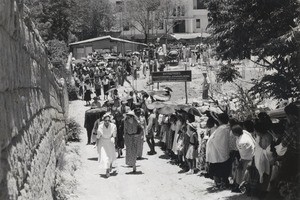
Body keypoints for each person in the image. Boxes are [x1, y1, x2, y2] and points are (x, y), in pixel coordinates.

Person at [206, 112, 231, 189]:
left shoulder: (222, 129)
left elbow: (217, 140)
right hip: (222, 152)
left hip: (218, 152)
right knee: (223, 168)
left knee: (217, 169)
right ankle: (223, 183)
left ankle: (219, 184)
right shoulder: (226, 127)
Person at [231, 124, 255, 193]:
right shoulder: (244, 132)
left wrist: (241, 160)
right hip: (248, 156)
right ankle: (239, 186)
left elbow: (243, 151)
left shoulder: (242, 141)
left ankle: (244, 188)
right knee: (240, 172)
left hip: (248, 157)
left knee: (245, 174)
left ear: (235, 133)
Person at [96, 114, 117, 178]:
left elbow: (114, 135)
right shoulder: (100, 126)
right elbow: (98, 136)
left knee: (110, 156)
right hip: (103, 143)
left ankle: (110, 164)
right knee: (105, 157)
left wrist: (113, 140)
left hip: (110, 142)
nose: (107, 122)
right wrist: (96, 144)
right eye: (105, 120)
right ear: (103, 120)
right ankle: (107, 170)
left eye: (108, 120)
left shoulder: (113, 126)